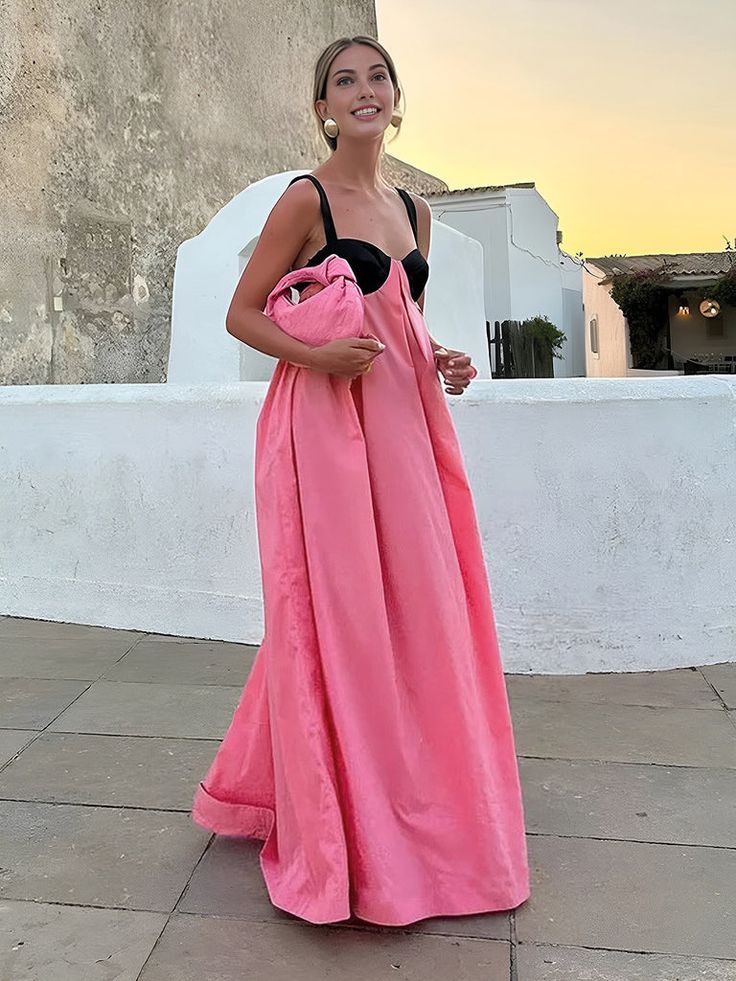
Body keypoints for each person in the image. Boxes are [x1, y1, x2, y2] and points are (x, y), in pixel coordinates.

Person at [192, 34, 530, 927]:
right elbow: (242, 314)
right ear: (324, 109)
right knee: (341, 611)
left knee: (420, 606)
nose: (364, 90)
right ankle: (352, 827)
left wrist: (442, 355)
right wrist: (315, 354)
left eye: (378, 76)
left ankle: (415, 801)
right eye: (345, 81)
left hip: (407, 424)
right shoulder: (305, 198)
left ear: (395, 96)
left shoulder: (414, 211)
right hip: (325, 427)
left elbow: (400, 314)